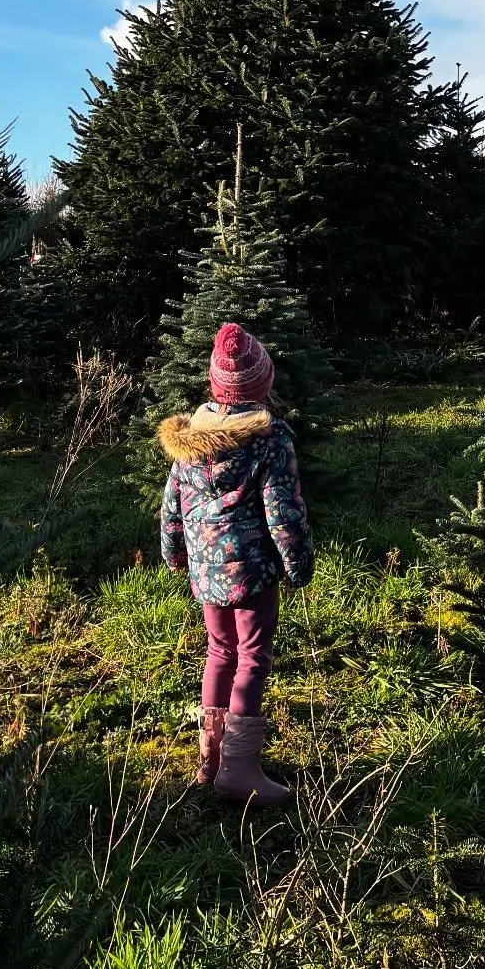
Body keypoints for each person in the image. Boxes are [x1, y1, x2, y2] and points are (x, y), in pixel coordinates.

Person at [158, 321, 314, 805]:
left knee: (219, 652)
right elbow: (283, 514)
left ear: (213, 384)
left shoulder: (191, 441)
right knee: (251, 657)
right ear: (263, 384)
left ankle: (210, 757)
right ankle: (239, 769)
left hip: (205, 573)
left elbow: (171, 507)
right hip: (251, 575)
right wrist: (298, 565)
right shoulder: (270, 439)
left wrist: (174, 554)